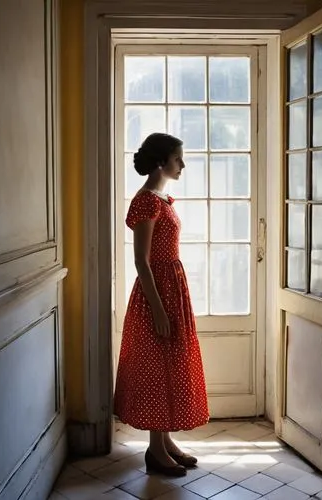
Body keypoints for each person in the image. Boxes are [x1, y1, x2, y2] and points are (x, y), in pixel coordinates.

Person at [114, 133, 209, 477]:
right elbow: (142, 261)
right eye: (177, 159)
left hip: (172, 290)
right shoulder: (146, 202)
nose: (182, 165)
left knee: (169, 365)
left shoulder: (162, 198)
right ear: (160, 162)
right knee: (156, 368)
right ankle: (155, 451)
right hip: (156, 293)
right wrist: (156, 308)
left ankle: (165, 442)